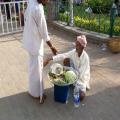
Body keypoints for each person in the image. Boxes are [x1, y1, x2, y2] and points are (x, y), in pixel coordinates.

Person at [22, 0, 57, 104]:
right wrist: (52, 47)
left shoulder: (32, 2)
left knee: (33, 68)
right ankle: (37, 94)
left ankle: (33, 91)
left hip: (30, 41)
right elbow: (44, 32)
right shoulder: (38, 9)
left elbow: (26, 16)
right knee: (37, 70)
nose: (49, 1)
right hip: (35, 45)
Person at [44, 35, 90, 101]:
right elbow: (63, 55)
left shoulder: (85, 58)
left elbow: (81, 74)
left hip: (81, 78)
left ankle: (71, 83)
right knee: (66, 59)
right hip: (74, 71)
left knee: (81, 97)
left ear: (82, 47)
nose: (76, 47)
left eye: (78, 45)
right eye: (76, 44)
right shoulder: (74, 52)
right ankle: (70, 83)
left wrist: (70, 76)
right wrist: (49, 59)